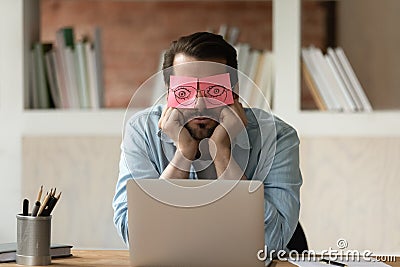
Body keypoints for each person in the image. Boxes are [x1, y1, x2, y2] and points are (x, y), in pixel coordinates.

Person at [113, 32, 302, 257]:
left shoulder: (278, 137)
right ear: (168, 93)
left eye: (215, 90)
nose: (199, 104)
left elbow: (272, 242)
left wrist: (222, 153)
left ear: (234, 91)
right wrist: (183, 155)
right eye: (185, 91)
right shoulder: (142, 132)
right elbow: (136, 237)